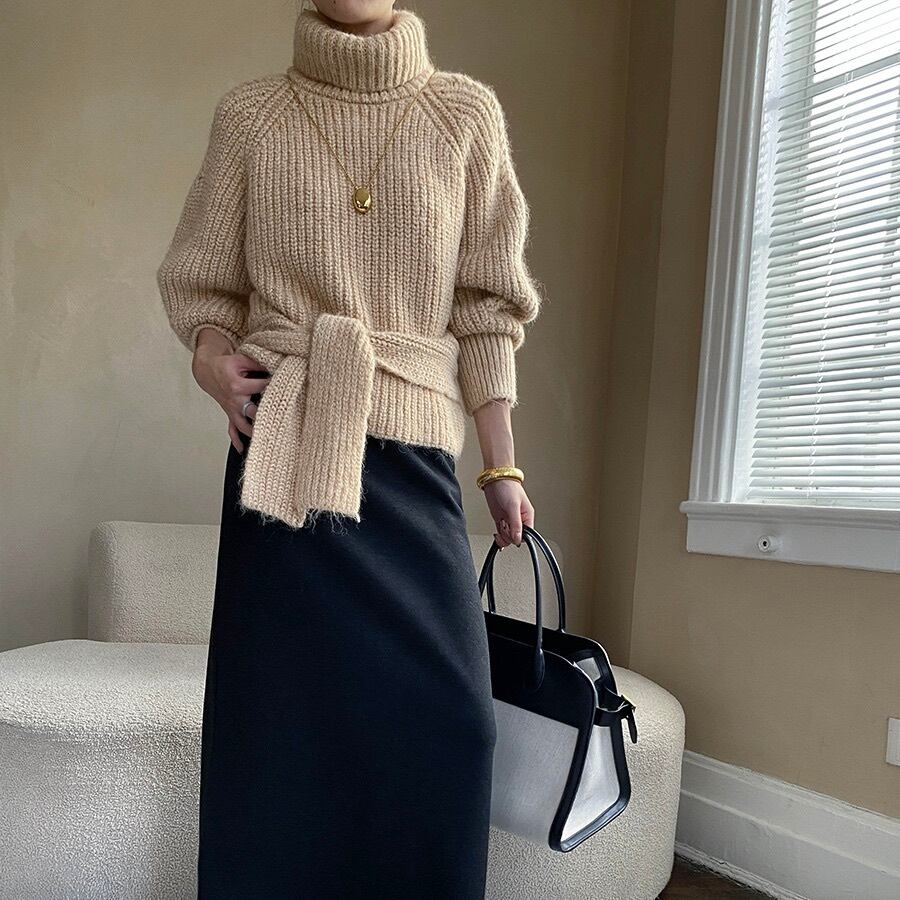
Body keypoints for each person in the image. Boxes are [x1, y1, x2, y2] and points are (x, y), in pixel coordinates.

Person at [156, 0, 544, 896]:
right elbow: (203, 281)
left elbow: (487, 308)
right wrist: (211, 360)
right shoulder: (252, 114)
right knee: (277, 731)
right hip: (283, 448)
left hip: (412, 455)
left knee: (454, 725)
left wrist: (500, 464)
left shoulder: (463, 113)